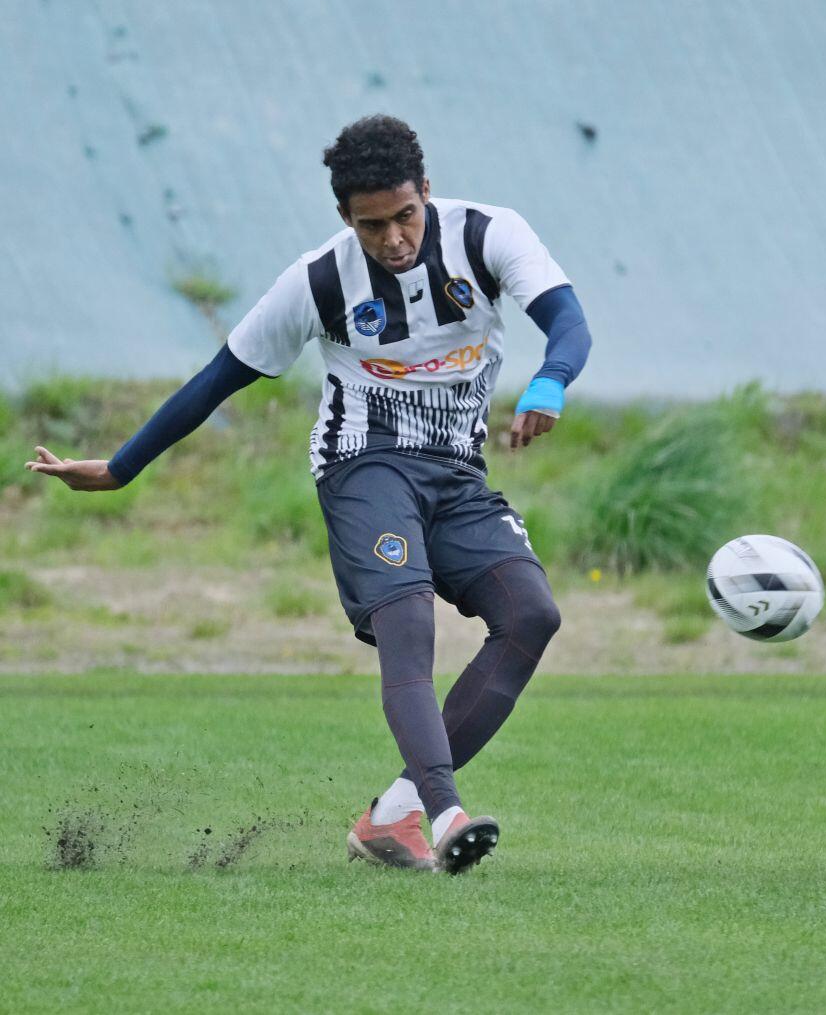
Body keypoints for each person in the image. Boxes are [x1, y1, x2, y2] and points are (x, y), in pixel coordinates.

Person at [26, 114, 591, 875]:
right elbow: (217, 380)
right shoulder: (318, 280)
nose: (393, 238)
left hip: (458, 474)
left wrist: (552, 379)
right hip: (365, 466)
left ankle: (392, 814)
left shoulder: (489, 236)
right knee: (409, 620)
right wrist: (121, 468)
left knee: (531, 615)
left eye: (405, 215)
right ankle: (445, 811)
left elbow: (567, 320)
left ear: (426, 190)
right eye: (371, 225)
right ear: (345, 217)